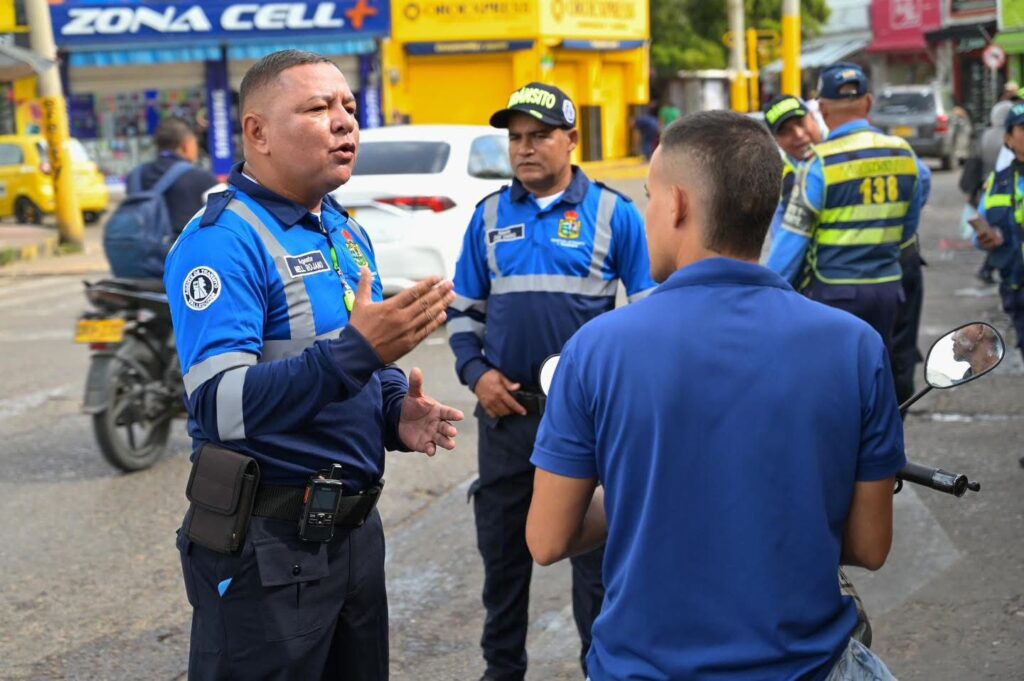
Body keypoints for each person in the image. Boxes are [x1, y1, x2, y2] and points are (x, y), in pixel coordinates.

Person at [525, 109, 904, 681]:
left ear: (676, 203)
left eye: (648, 197)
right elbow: (869, 546)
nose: (647, 213)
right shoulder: (855, 347)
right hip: (805, 666)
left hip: (641, 667)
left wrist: (642, 491)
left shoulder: (596, 349)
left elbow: (548, 538)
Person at [164, 50, 463, 680]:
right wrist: (358, 352)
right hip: (267, 549)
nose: (344, 122)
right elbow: (218, 406)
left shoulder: (344, 231)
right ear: (258, 132)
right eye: (317, 108)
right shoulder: (223, 241)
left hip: (354, 537)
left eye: (349, 107)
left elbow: (356, 364)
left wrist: (393, 411)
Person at [446, 81, 656, 681]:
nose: (525, 148)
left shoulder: (616, 214)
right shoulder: (488, 216)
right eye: (515, 138)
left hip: (588, 423)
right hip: (507, 417)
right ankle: (501, 670)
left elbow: (648, 317)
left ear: (571, 140)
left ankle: (601, 668)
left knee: (594, 561)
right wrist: (477, 375)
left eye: (539, 136)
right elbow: (463, 314)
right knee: (503, 559)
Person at [766, 62, 926, 359]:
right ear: (868, 102)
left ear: (823, 110)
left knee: (840, 375)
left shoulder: (819, 164)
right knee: (879, 369)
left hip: (836, 292)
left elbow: (793, 240)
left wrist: (764, 293)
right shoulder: (903, 152)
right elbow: (909, 224)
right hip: (888, 288)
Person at [975, 103, 1024, 363]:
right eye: (1022, 128)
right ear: (1008, 138)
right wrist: (986, 238)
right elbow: (978, 235)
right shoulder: (997, 182)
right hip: (1016, 284)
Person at [135, 117, 220, 236]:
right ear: (186, 145)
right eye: (195, 143)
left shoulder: (137, 174)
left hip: (146, 251)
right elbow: (228, 221)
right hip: (186, 252)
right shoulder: (203, 179)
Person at [762, 94, 824, 244]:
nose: (798, 134)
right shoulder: (784, 185)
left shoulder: (847, 150)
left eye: (800, 123)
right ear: (776, 141)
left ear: (813, 118)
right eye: (785, 131)